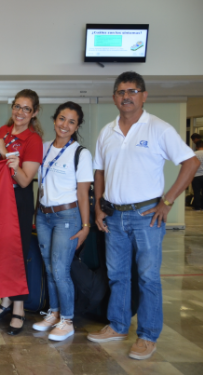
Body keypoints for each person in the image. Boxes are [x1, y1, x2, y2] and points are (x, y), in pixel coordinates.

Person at [87, 71, 200, 360]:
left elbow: (191, 161)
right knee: (117, 276)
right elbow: (99, 171)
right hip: (114, 216)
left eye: (133, 91)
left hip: (147, 215)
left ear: (144, 95)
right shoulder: (106, 132)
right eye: (121, 91)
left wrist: (168, 200)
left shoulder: (158, 129)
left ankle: (148, 336)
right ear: (114, 97)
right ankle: (118, 325)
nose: (126, 96)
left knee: (148, 277)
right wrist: (99, 205)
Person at [32, 102, 93, 341]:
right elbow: (41, 185)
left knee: (60, 269)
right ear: (54, 119)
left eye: (71, 121)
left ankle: (67, 320)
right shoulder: (45, 148)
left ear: (77, 125)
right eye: (61, 119)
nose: (65, 125)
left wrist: (86, 227)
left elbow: (83, 194)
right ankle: (54, 312)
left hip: (67, 217)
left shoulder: (80, 153)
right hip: (44, 216)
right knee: (49, 268)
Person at [0, 89, 43, 336]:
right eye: (17, 106)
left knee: (17, 254)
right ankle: (6, 302)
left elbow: (24, 180)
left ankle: (18, 308)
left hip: (19, 200)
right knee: (0, 252)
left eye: (26, 108)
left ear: (34, 113)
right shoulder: (2, 132)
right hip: (0, 199)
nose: (20, 112)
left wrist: (8, 155)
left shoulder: (33, 140)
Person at [193, 141, 203, 211]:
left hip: (196, 176)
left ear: (196, 147)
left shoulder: (194, 154)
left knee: (196, 192)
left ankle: (197, 207)